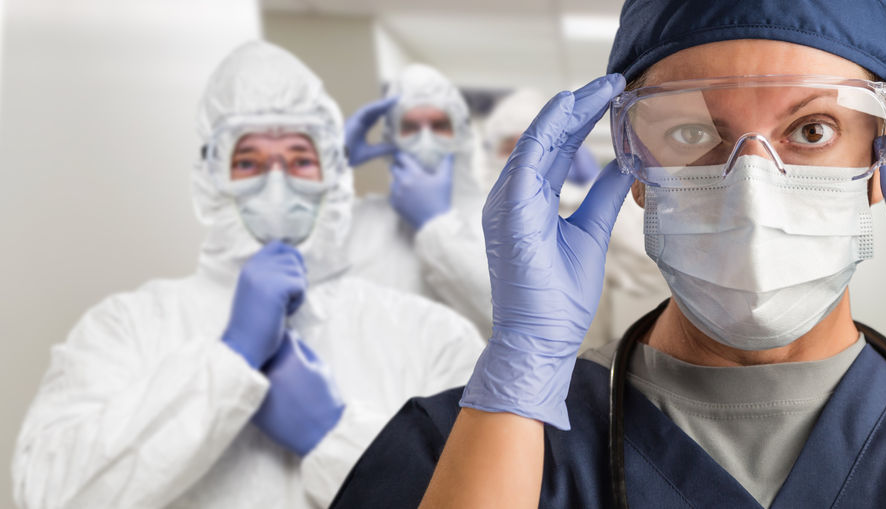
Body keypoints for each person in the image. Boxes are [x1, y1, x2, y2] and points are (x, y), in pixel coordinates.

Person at [331, 1, 886, 507]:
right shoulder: (455, 445)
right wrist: (520, 369)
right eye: (694, 131)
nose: (752, 184)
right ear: (636, 168)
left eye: (812, 128)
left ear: (882, 158)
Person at [10, 41, 484, 509]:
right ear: (210, 176)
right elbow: (46, 494)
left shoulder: (429, 336)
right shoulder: (128, 328)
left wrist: (335, 436)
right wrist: (227, 364)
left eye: (301, 160)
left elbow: (488, 496)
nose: (276, 183)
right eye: (248, 162)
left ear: (334, 173)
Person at [483, 89, 670, 351]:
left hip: (580, 365)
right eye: (512, 149)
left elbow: (650, 269)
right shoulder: (470, 226)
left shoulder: (575, 214)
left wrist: (592, 193)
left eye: (538, 149)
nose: (525, 163)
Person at [343, 63, 493, 336]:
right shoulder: (361, 221)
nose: (426, 139)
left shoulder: (503, 222)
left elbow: (523, 321)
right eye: (410, 127)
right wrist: (331, 162)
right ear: (391, 137)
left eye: (439, 125)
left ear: (460, 133)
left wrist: (437, 227)